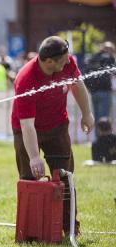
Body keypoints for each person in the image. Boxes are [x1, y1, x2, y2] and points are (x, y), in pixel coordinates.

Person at [11, 36, 94, 236]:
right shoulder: (26, 79)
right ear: (49, 62)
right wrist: (34, 157)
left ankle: (70, 227)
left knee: (66, 178)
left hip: (57, 126)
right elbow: (27, 125)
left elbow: (78, 85)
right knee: (29, 178)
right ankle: (30, 230)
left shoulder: (67, 61)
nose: (68, 61)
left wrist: (86, 113)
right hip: (27, 131)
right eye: (64, 59)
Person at [84, 41, 115, 121]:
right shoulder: (108, 57)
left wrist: (89, 88)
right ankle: (105, 133)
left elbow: (86, 73)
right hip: (105, 91)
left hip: (94, 92)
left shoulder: (93, 57)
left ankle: (98, 134)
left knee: (96, 118)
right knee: (104, 119)